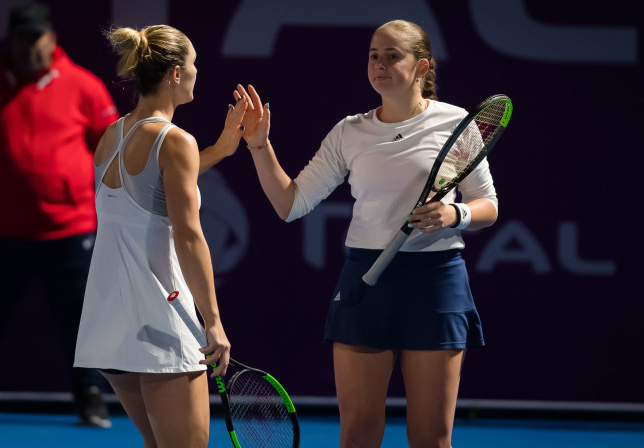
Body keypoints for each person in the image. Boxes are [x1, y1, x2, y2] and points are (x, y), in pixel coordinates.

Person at [236, 20, 498, 448]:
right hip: (365, 282)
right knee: (357, 435)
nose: (379, 64)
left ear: (420, 67)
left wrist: (456, 213)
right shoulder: (349, 131)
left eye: (392, 55)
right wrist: (260, 146)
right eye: (374, 55)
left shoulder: (457, 124)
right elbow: (290, 204)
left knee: (431, 438)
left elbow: (488, 205)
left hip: (435, 283)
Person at [0, 3, 119, 428]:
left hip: (69, 228)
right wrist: (5, 181)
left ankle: (91, 401)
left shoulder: (84, 86)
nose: (29, 48)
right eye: (21, 39)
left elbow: (109, 147)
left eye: (36, 39)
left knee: (81, 323)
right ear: (11, 41)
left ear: (52, 39)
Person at [73, 24, 241, 447]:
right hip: (160, 319)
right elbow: (188, 236)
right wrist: (214, 322)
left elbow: (152, 192)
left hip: (111, 321)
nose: (198, 71)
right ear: (175, 74)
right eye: (194, 64)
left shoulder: (113, 133)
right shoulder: (175, 141)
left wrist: (220, 149)